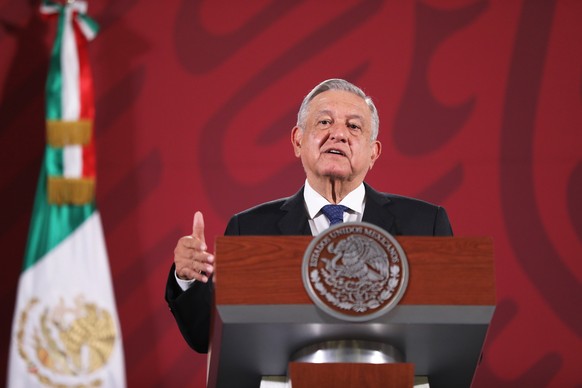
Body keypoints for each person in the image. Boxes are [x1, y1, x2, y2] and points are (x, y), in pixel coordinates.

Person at [165, 79, 453, 353]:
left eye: (354, 126)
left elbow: (456, 335)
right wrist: (187, 279)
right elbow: (207, 337)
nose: (338, 134)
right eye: (324, 122)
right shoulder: (250, 229)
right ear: (298, 141)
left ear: (374, 153)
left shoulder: (426, 224)